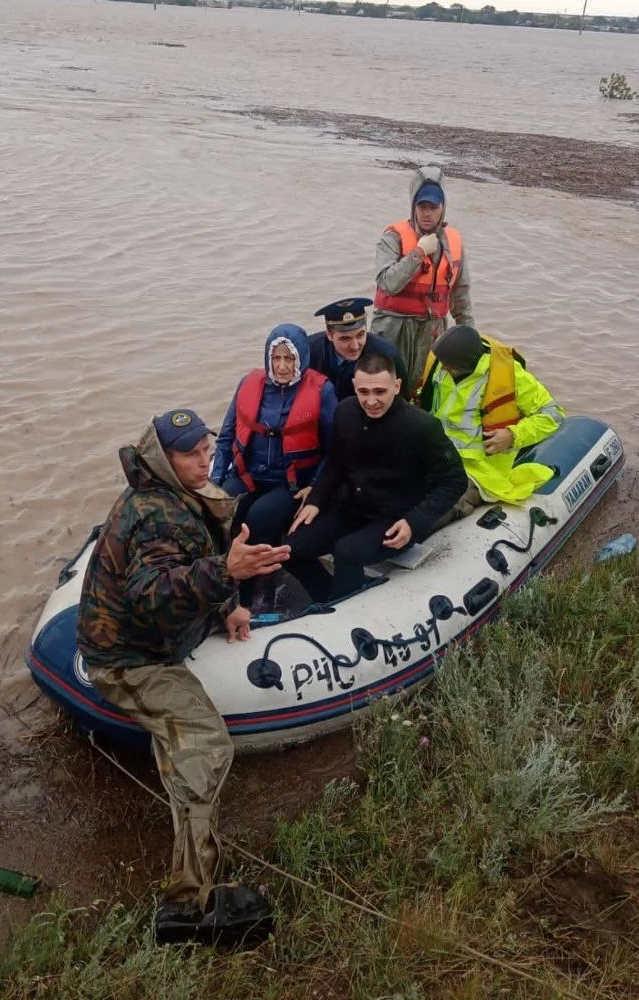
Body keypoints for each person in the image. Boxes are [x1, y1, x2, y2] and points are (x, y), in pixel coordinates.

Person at [76, 408, 289, 946]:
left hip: (147, 640)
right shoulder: (154, 516)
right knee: (203, 743)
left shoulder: (173, 498)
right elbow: (152, 595)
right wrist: (227, 572)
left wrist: (225, 607)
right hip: (130, 659)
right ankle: (186, 904)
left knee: (193, 744)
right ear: (161, 460)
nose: (203, 457)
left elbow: (184, 568)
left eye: (205, 447)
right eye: (189, 452)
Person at [285, 352, 468, 603]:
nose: (371, 401)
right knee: (291, 549)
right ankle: (330, 595)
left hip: (394, 518)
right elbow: (335, 464)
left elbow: (455, 480)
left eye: (380, 392)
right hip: (350, 508)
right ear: (354, 387)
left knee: (346, 552)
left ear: (397, 386)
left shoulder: (423, 426)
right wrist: (316, 499)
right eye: (364, 392)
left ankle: (341, 605)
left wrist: (414, 521)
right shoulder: (345, 412)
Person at [415, 325, 565, 513]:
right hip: (435, 453)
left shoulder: (509, 374)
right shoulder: (440, 362)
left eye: (449, 365)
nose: (443, 367)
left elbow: (553, 414)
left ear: (467, 363)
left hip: (479, 470)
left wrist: (513, 435)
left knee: (444, 503)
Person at [211, 323, 337, 548]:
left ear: (301, 358)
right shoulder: (248, 383)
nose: (281, 366)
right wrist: (214, 482)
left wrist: (316, 486)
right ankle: (223, 567)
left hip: (289, 483)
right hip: (247, 473)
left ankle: (262, 578)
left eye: (289, 359)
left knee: (260, 517)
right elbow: (225, 438)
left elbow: (333, 449)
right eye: (276, 358)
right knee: (222, 507)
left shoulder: (322, 391)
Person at [370, 164, 476, 388]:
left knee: (428, 390)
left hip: (433, 331)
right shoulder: (392, 237)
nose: (427, 213)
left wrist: (471, 339)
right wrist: (417, 253)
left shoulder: (454, 242)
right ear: (413, 206)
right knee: (386, 389)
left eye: (433, 207)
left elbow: (461, 296)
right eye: (422, 206)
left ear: (443, 207)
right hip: (393, 329)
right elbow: (388, 283)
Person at [307, 296, 411, 400]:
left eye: (360, 335)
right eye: (345, 338)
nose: (355, 346)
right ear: (329, 334)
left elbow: (402, 400)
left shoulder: (388, 355)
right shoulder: (308, 351)